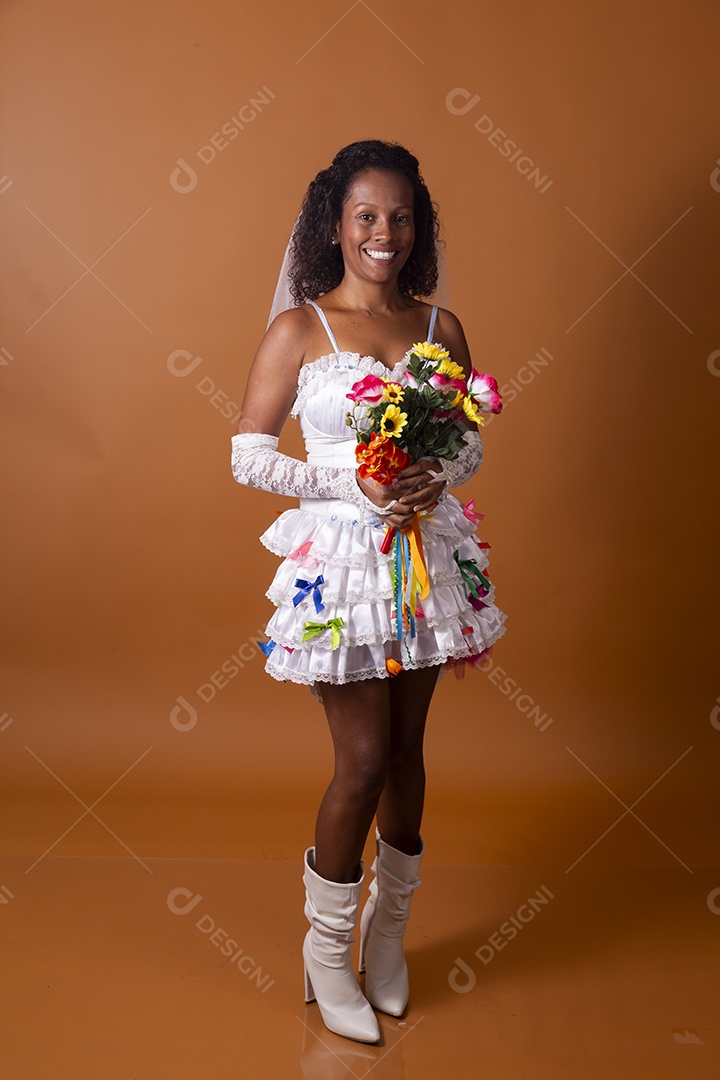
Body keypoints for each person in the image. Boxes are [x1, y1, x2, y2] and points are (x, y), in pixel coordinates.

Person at [231, 140, 507, 1043]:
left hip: (424, 562)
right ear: (334, 227)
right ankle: (325, 952)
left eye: (399, 216)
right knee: (359, 765)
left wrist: (436, 473)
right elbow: (249, 455)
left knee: (406, 757)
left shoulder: (441, 328)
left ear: (416, 227)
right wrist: (352, 484)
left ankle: (389, 941)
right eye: (365, 217)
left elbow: (468, 443)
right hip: (341, 569)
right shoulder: (300, 329)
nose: (383, 232)